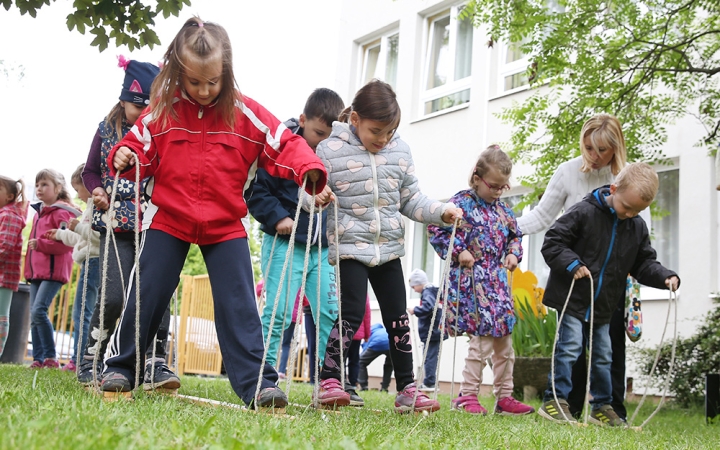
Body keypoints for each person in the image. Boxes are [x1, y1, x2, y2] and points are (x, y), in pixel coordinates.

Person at [100, 17, 328, 409]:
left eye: (212, 82)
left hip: (225, 223)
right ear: (178, 73)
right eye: (194, 83)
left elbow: (283, 142)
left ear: (227, 72)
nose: (204, 91)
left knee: (238, 301)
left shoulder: (245, 113)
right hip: (169, 216)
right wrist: (125, 154)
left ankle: (258, 384)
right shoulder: (163, 112)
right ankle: (121, 366)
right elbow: (139, 146)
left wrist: (308, 170)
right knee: (147, 289)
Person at [311, 79, 463, 413]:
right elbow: (308, 193)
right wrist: (315, 196)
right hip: (350, 247)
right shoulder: (329, 151)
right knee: (350, 313)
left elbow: (410, 199)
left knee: (398, 318)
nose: (383, 139)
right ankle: (329, 380)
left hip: (389, 248)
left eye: (390, 132)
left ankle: (408, 388)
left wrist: (440, 212)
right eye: (376, 130)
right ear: (355, 120)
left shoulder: (400, 151)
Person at [537, 162, 680, 427]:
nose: (631, 214)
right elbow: (553, 242)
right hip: (574, 298)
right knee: (570, 349)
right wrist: (573, 264)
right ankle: (555, 401)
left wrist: (665, 276)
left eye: (638, 210)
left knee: (605, 356)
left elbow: (643, 263)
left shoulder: (636, 227)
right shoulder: (583, 212)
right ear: (613, 189)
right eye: (627, 206)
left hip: (604, 304)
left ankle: (602, 407)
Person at [517, 114, 632, 420]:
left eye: (602, 150)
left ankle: (611, 410)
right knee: (573, 346)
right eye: (589, 147)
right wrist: (504, 227)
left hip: (611, 279)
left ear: (615, 148)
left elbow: (635, 224)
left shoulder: (625, 178)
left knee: (610, 348)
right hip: (575, 274)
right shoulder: (567, 172)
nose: (594, 157)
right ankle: (569, 406)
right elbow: (542, 218)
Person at [79, 56, 179, 392]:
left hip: (153, 224)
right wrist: (97, 190)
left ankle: (154, 363)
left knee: (155, 293)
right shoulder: (106, 130)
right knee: (113, 297)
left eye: (149, 104)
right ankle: (91, 359)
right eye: (136, 105)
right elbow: (91, 170)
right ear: (123, 100)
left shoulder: (161, 131)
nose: (142, 111)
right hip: (114, 226)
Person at [245, 88, 343, 386]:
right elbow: (255, 189)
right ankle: (265, 375)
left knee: (329, 313)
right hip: (285, 242)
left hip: (321, 249)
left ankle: (329, 380)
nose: (322, 141)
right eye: (317, 133)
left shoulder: (333, 152)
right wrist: (278, 217)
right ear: (303, 120)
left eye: (329, 136)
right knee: (279, 312)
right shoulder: (279, 147)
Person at [429, 145, 535, 416]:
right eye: (494, 186)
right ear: (477, 178)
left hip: (498, 285)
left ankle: (505, 397)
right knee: (482, 342)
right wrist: (458, 250)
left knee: (505, 342)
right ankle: (467, 395)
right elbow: (437, 230)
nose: (499, 192)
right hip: (472, 283)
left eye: (503, 187)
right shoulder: (461, 204)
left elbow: (515, 236)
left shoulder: (504, 210)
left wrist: (513, 253)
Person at [46, 164, 100, 372]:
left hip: (94, 261)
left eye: (78, 189)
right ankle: (81, 358)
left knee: (83, 313)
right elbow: (79, 237)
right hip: (88, 261)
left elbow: (98, 237)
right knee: (83, 312)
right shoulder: (89, 207)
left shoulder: (96, 205)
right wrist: (59, 234)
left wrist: (78, 226)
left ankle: (80, 360)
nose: (77, 194)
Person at [25, 169, 80, 369]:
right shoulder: (39, 213)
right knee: (34, 314)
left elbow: (66, 243)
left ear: (58, 188)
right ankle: (38, 359)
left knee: (39, 310)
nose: (39, 188)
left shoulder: (62, 212)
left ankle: (50, 357)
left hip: (53, 271)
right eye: (37, 185)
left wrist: (41, 245)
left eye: (45, 184)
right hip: (36, 272)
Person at [0, 175, 27, 359]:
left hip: (4, 274)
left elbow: (5, 244)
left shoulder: (9, 215)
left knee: (1, 316)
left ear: (9, 196)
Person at [407, 268, 443, 392]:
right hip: (434, 330)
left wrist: (415, 310)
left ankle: (430, 383)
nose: (413, 290)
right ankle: (429, 381)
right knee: (430, 356)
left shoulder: (428, 291)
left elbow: (429, 307)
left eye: (413, 287)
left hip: (431, 331)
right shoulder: (432, 291)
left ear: (418, 283)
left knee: (429, 357)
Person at [344, 296, 370, 406]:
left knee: (342, 359)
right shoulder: (364, 295)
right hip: (358, 332)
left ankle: (343, 382)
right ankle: (353, 383)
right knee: (354, 360)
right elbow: (367, 315)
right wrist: (367, 334)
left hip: (344, 331)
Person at [357, 323, 394, 393]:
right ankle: (384, 388)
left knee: (361, 362)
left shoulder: (371, 332)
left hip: (376, 344)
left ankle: (364, 387)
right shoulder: (384, 330)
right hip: (390, 345)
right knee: (389, 365)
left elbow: (365, 346)